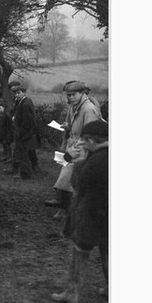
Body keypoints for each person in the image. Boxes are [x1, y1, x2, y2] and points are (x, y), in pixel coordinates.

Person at [51, 119, 109, 303]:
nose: (82, 143)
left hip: (91, 213)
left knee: (80, 251)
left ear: (93, 141)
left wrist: (81, 161)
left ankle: (72, 292)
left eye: (85, 140)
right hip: (108, 214)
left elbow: (78, 183)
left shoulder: (95, 160)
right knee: (108, 252)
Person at [45, 80, 104, 215]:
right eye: (68, 95)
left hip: (81, 149)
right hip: (71, 145)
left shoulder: (89, 109)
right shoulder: (75, 105)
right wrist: (68, 127)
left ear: (82, 93)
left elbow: (89, 135)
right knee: (66, 178)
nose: (70, 98)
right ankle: (63, 207)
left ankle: (70, 210)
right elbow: (75, 127)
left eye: (72, 95)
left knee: (72, 181)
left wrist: (72, 152)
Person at [4, 80, 39, 179]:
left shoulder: (26, 103)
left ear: (23, 92)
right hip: (22, 132)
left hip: (24, 133)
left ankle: (24, 174)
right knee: (20, 153)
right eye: (15, 93)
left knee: (23, 154)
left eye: (19, 92)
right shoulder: (21, 102)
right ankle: (22, 171)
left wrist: (20, 133)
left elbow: (27, 122)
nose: (16, 95)